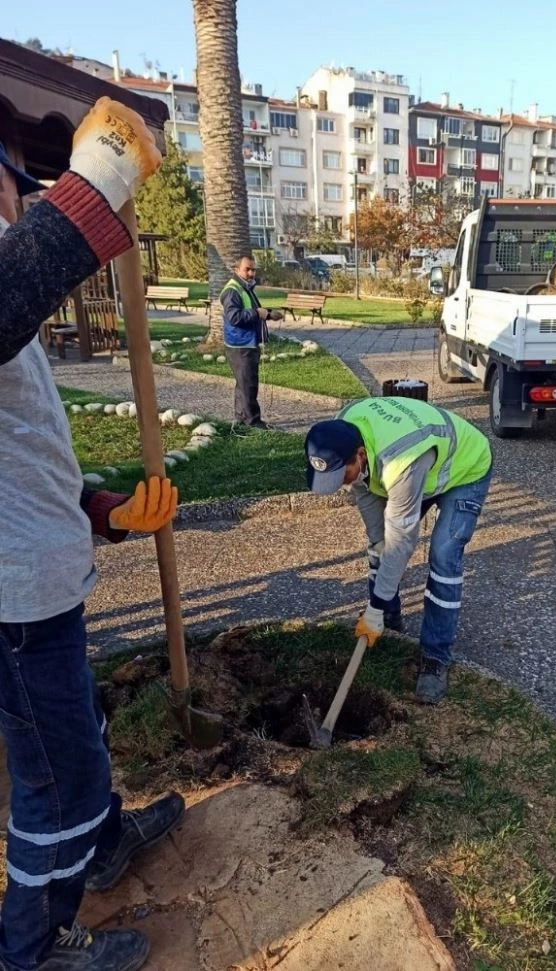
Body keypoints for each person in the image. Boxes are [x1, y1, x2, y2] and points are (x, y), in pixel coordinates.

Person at [0, 99, 187, 971]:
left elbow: (24, 457)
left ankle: (104, 841)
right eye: (14, 181)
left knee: (78, 730)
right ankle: (34, 946)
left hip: (43, 583)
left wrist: (105, 511)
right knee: (56, 780)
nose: (17, 199)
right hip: (16, 602)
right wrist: (102, 175)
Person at [304, 396, 493, 704]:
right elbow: (366, 496)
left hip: (464, 467)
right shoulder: (343, 430)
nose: (339, 485)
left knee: (443, 556)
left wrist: (375, 605)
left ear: (360, 455)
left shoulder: (400, 460)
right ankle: (390, 627)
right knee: (380, 548)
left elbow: (402, 541)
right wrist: (378, 544)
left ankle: (435, 657)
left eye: (341, 476)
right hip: (418, 469)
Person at [221, 256, 283, 429]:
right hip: (240, 345)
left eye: (253, 269)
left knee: (243, 383)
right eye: (247, 269)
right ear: (236, 269)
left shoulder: (244, 287)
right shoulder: (232, 291)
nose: (251, 273)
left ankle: (241, 418)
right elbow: (234, 317)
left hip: (246, 342)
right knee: (248, 384)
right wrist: (257, 313)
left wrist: (269, 314)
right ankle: (253, 422)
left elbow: (251, 310)